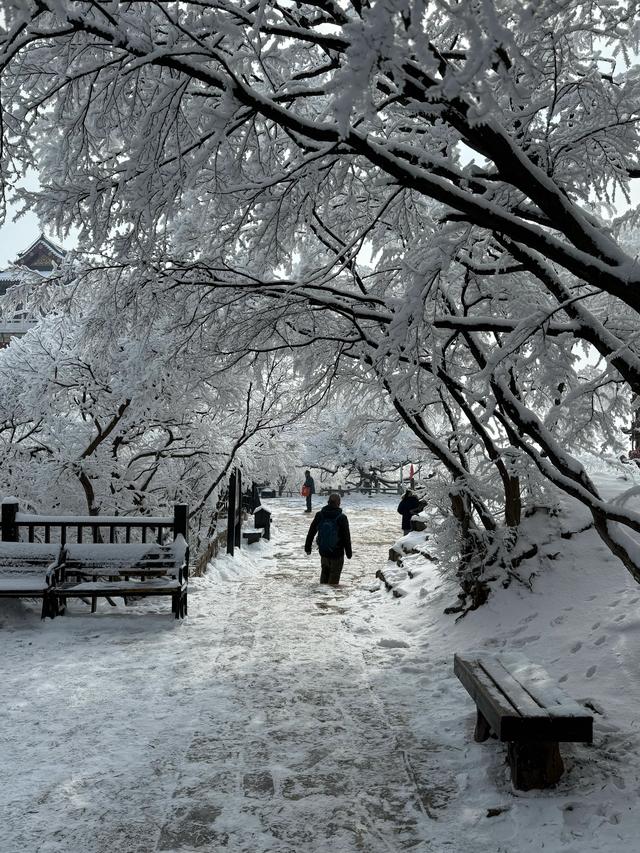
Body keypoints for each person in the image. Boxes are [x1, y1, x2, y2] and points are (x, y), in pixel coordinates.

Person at [305, 493, 352, 584]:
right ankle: (329, 596)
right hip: (337, 553)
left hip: (324, 552)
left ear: (328, 502)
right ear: (338, 503)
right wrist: (348, 553)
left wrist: (308, 547)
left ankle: (321, 595)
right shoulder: (342, 518)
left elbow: (311, 532)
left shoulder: (320, 515)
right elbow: (346, 537)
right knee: (333, 580)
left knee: (324, 574)